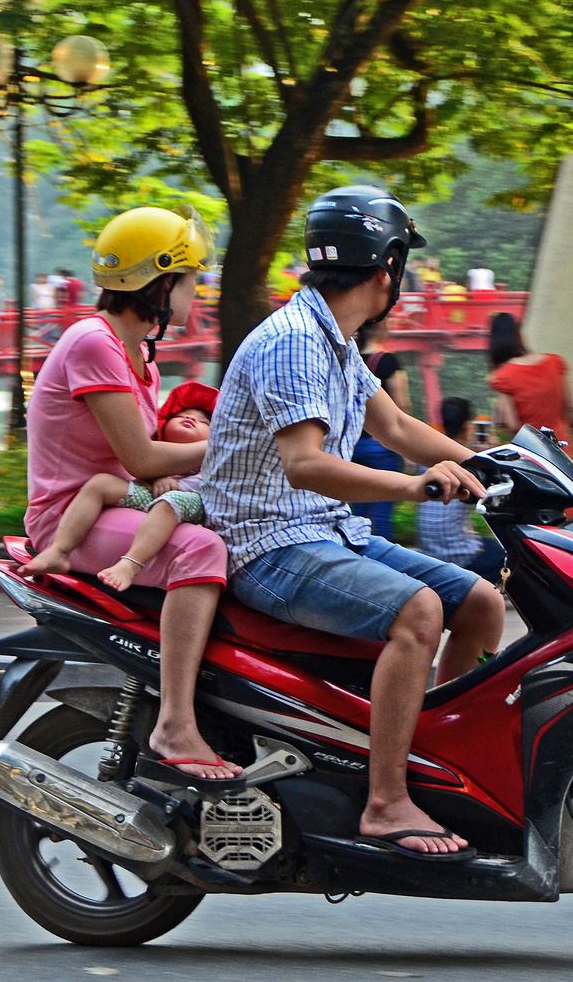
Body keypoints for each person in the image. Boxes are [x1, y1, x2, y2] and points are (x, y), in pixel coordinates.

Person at [202, 184, 506, 858]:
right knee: (420, 612)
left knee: (482, 603)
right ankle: (385, 801)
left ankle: (429, 760)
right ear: (385, 267)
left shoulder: (334, 340)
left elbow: (397, 425)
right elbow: (305, 465)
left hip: (328, 533)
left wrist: (501, 472)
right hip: (268, 546)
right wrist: (414, 486)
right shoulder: (292, 341)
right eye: (404, 266)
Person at [18, 205, 240, 782]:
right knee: (200, 551)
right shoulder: (94, 344)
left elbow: (139, 460)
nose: (197, 291)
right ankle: (174, 721)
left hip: (117, 500)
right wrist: (236, 445)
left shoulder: (136, 353)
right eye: (191, 279)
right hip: (74, 515)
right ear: (161, 282)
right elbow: (142, 456)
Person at [25, 382, 217, 592]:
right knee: (101, 483)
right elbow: (139, 471)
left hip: (191, 504)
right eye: (182, 415)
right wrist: (156, 477)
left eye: (203, 422)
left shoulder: (211, 463)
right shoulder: (153, 451)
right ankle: (59, 550)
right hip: (151, 496)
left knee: (170, 502)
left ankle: (131, 563)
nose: (191, 419)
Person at [416, 397, 507, 582]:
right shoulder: (469, 466)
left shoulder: (426, 457)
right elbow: (496, 497)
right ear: (467, 426)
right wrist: (492, 454)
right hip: (461, 555)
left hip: (429, 552)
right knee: (507, 556)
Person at [348, 319, 410, 539]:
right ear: (380, 326)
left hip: (353, 446)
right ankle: (385, 567)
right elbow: (401, 405)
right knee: (382, 516)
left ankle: (360, 557)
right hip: (381, 446)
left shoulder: (350, 359)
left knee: (358, 514)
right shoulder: (388, 360)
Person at [488, 312, 573, 447]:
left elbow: (511, 423)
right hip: (561, 449)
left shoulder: (503, 376)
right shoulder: (555, 362)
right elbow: (572, 405)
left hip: (530, 451)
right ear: (519, 335)